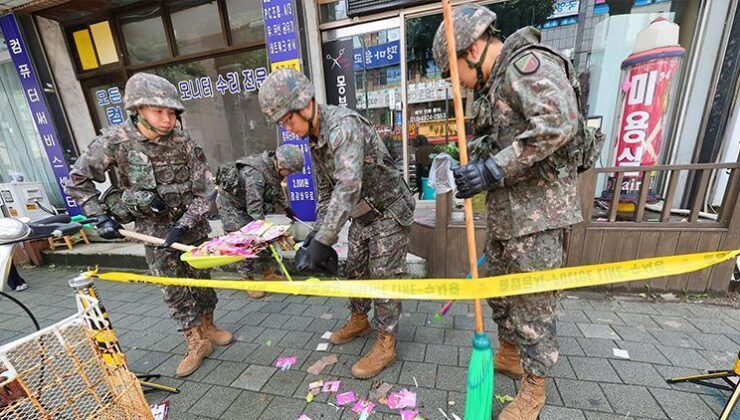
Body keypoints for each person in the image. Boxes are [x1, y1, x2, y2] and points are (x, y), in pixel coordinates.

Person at [433, 5, 583, 419]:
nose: (455, 83)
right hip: (507, 216)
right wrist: (470, 165)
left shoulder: (526, 67)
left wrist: (491, 169)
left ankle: (535, 390)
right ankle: (510, 355)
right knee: (499, 294)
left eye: (453, 72)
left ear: (474, 47)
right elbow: (499, 142)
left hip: (538, 216)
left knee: (534, 307)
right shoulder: (496, 84)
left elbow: (558, 123)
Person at [66, 72, 233, 378]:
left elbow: (206, 191)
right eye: (159, 111)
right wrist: (99, 216)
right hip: (153, 232)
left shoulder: (184, 141)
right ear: (138, 110)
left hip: (190, 228)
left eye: (172, 112)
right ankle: (195, 342)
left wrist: (183, 226)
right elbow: (77, 181)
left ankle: (209, 327)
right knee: (173, 288)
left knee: (202, 281)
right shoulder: (116, 141)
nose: (168, 119)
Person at [258, 68, 415, 379]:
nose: (288, 128)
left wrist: (324, 240)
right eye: (282, 124)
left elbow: (347, 186)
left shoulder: (342, 127)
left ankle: (386, 342)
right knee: (355, 268)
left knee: (382, 277)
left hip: (389, 210)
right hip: (361, 215)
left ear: (304, 104)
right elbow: (327, 191)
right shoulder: (314, 139)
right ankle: (359, 319)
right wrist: (316, 234)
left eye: (288, 120)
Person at [216, 144, 305, 298]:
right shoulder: (255, 174)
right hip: (232, 207)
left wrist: (286, 208)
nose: (289, 175)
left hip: (247, 204)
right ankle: (247, 279)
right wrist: (265, 231)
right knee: (245, 241)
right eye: (289, 171)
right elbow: (254, 209)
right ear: (281, 164)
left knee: (264, 239)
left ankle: (268, 274)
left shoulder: (273, 168)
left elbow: (276, 188)